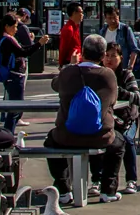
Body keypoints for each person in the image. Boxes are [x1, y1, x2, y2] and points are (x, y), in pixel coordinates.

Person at [48, 36, 124, 202]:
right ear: (103, 55)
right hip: (99, 136)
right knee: (118, 143)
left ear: (82, 52)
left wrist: (71, 65)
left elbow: (55, 84)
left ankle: (63, 189)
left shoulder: (68, 72)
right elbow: (113, 100)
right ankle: (108, 190)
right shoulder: (108, 75)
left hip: (66, 135)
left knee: (50, 141)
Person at [102, 38, 140, 194]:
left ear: (121, 58)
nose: (109, 59)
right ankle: (96, 180)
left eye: (113, 55)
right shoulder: (99, 74)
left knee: (127, 139)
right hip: (105, 118)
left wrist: (117, 90)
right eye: (106, 55)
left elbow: (136, 97)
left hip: (126, 118)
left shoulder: (126, 75)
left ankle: (131, 179)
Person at [0, 12, 31, 131]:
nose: (16, 29)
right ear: (7, 26)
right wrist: (39, 44)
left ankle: (8, 134)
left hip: (13, 75)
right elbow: (23, 52)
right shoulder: (8, 40)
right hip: (14, 75)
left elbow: (21, 50)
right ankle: (8, 135)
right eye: (14, 27)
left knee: (14, 107)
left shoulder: (6, 39)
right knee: (15, 109)